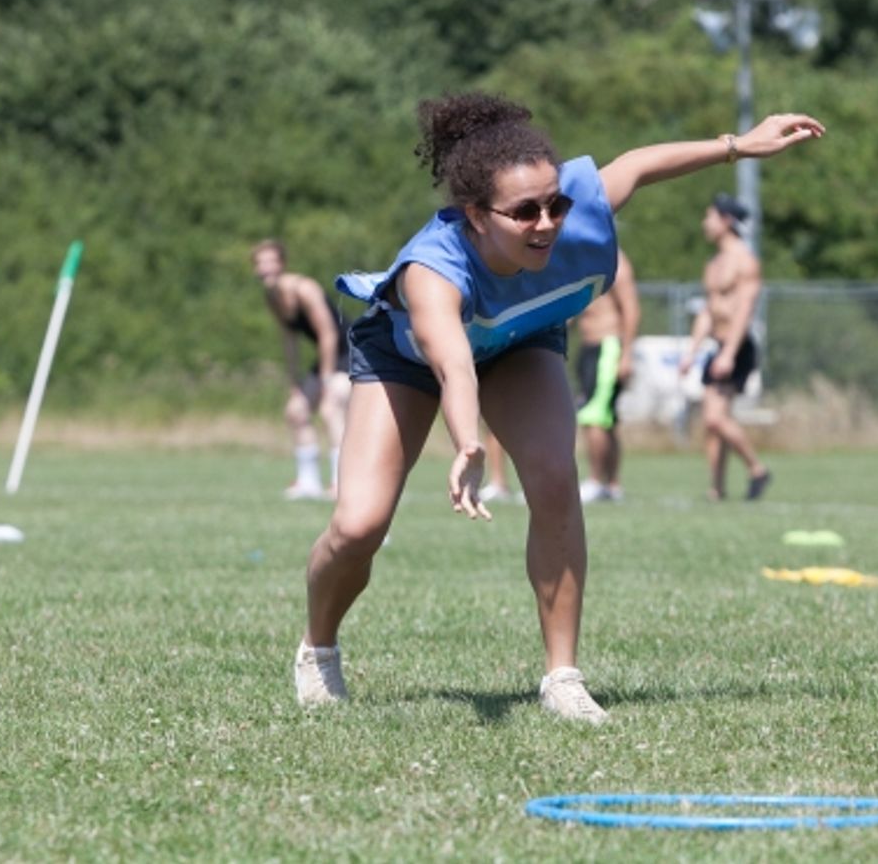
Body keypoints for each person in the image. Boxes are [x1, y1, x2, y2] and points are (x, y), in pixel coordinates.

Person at [293, 91, 824, 721]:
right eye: (525, 212)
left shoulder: (575, 210)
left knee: (552, 473)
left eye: (555, 203)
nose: (547, 222)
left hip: (519, 340)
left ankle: (563, 678)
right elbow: (454, 364)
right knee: (359, 525)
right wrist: (468, 441)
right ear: (476, 215)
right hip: (408, 359)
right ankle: (318, 648)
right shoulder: (433, 271)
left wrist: (740, 144)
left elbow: (639, 165)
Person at [680, 193, 770, 501]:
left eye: (710, 216)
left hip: (737, 347)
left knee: (715, 418)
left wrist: (729, 353)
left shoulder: (744, 261)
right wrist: (692, 352)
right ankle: (717, 488)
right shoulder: (714, 263)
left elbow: (745, 309)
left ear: (726, 220)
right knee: (711, 423)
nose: (705, 223)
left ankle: (757, 468)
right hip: (716, 346)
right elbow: (708, 311)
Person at [251, 239, 352, 500]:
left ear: (282, 264)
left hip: (350, 352)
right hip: (326, 358)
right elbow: (289, 338)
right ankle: (309, 483)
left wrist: (327, 381)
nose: (266, 268)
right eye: (260, 263)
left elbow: (328, 334)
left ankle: (342, 483)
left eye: (271, 262)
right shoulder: (272, 297)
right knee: (296, 411)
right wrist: (294, 382)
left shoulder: (304, 289)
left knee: (331, 409)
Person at [576, 248, 640, 503]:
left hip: (608, 346)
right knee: (606, 419)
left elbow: (631, 308)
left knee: (594, 416)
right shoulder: (583, 258)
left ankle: (595, 481)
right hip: (589, 346)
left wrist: (627, 354)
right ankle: (612, 484)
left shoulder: (616, 260)